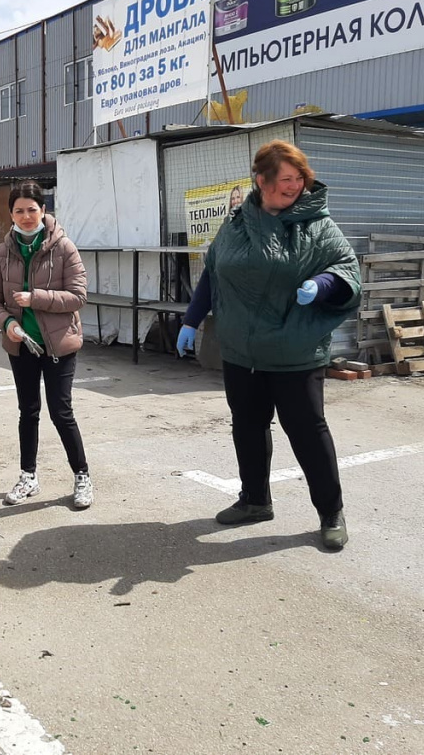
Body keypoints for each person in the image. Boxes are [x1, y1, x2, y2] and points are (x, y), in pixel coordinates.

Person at [177, 140, 361, 550]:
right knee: (247, 425)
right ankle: (255, 501)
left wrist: (324, 284)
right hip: (243, 350)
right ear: (260, 181)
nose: (294, 186)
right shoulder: (239, 222)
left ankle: (331, 512)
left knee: (308, 432)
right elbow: (214, 271)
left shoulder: (316, 223)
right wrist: (191, 320)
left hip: (294, 350)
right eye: (285, 179)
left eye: (299, 179)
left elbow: (345, 266)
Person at [0, 180, 93, 509]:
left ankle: (82, 475)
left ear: (44, 210)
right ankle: (28, 476)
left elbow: (78, 296)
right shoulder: (3, 251)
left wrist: (36, 299)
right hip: (22, 346)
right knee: (27, 412)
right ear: (11, 215)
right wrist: (8, 323)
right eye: (19, 211)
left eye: (32, 209)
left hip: (58, 344)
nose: (26, 216)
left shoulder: (64, 247)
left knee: (61, 411)